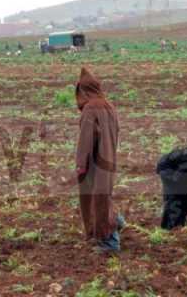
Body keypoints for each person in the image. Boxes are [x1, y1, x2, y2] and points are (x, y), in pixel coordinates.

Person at [75, 67, 123, 252]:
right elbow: (116, 131)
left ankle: (110, 242)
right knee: (104, 196)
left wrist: (81, 164)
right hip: (109, 158)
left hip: (95, 162)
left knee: (97, 199)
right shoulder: (109, 106)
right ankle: (116, 221)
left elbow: (86, 140)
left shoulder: (90, 108)